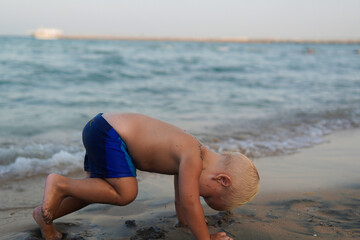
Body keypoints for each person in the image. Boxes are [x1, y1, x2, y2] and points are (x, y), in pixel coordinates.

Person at [33, 113, 260, 240]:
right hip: (111, 133)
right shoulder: (193, 156)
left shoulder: (194, 154)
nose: (199, 197)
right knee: (126, 193)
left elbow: (182, 197)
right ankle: (59, 183)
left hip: (100, 127)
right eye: (207, 197)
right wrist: (205, 238)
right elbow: (190, 202)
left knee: (98, 190)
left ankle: (46, 215)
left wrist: (183, 222)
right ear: (222, 180)